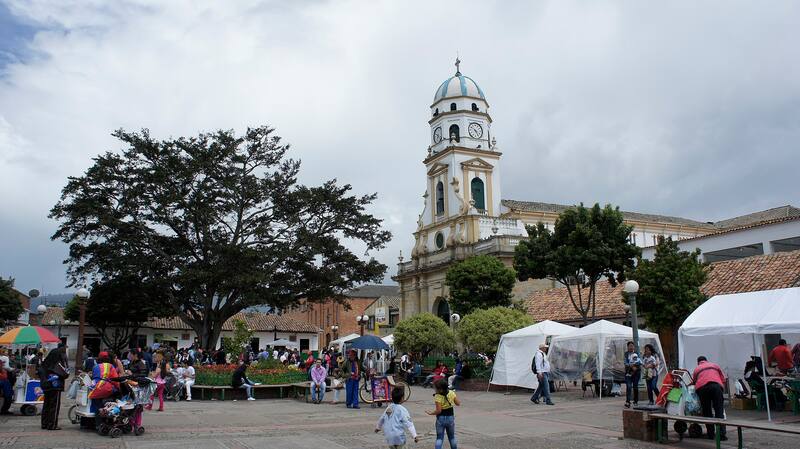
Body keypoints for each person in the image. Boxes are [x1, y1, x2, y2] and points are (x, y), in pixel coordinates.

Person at [692, 356, 727, 441]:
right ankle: (722, 435)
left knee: (707, 411)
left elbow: (694, 381)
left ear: (698, 362)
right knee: (719, 410)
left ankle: (710, 434)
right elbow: (723, 379)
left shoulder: (697, 369)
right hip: (716, 387)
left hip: (703, 389)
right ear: (706, 360)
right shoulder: (714, 365)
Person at [39, 345, 69, 430]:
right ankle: (52, 424)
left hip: (46, 386)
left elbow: (40, 372)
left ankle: (44, 423)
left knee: (46, 405)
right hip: (55, 387)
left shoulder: (45, 363)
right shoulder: (57, 364)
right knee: (54, 406)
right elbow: (65, 374)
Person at [426, 379, 460, 449]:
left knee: (439, 438)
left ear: (440, 390)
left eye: (435, 388)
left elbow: (439, 411)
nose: (434, 389)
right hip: (450, 417)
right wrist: (453, 397)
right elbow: (458, 403)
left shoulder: (437, 396)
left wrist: (431, 413)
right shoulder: (451, 393)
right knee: (452, 437)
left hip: (440, 419)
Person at [623, 341, 641, 408]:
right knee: (629, 386)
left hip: (636, 373)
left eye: (632, 346)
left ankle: (635, 401)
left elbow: (639, 361)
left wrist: (635, 367)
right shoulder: (626, 354)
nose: (631, 347)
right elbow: (625, 362)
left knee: (635, 387)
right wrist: (631, 366)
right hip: (628, 372)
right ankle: (628, 402)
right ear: (627, 347)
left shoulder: (637, 353)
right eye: (630, 346)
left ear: (634, 347)